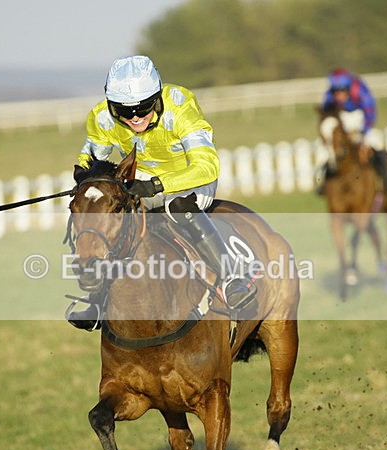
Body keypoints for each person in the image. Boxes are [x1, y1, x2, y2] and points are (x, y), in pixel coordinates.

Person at [67, 55, 257, 331]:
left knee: (178, 206)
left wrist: (157, 185)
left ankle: (231, 280)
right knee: (109, 215)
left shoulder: (180, 107)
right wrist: (85, 184)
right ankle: (98, 299)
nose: (134, 117)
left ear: (156, 98)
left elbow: (207, 166)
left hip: (189, 181)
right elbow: (90, 159)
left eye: (142, 107)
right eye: (124, 110)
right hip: (140, 182)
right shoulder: (101, 118)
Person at [316, 68, 387, 195]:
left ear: (347, 88)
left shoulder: (359, 90)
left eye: (342, 91)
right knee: (332, 151)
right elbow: (325, 114)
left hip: (361, 119)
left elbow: (370, 111)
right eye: (336, 91)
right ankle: (325, 183)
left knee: (374, 144)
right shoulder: (329, 96)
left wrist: (364, 130)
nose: (338, 95)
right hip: (342, 121)